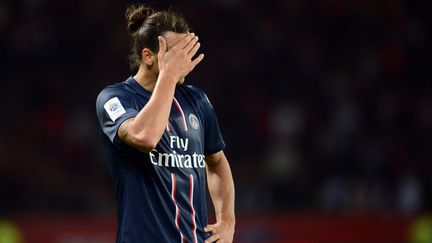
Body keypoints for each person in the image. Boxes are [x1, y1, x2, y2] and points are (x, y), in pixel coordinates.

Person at [96, 4, 235, 243]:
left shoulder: (197, 101)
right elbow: (145, 137)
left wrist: (227, 221)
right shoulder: (115, 98)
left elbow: (217, 161)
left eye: (187, 52)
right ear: (148, 55)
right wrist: (169, 75)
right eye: (175, 54)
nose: (184, 60)